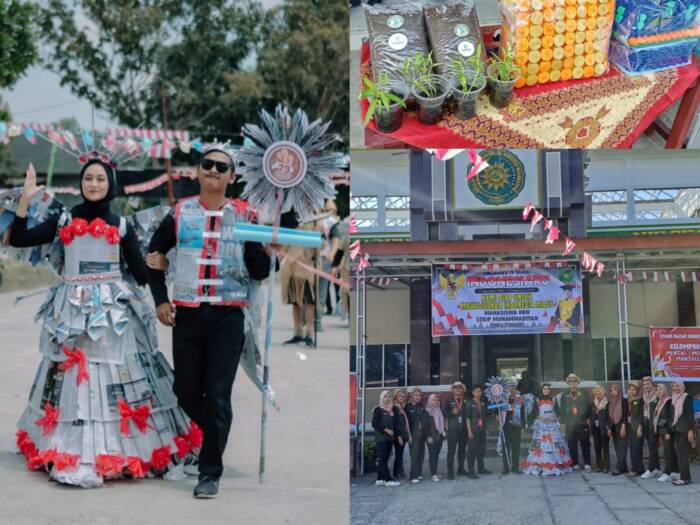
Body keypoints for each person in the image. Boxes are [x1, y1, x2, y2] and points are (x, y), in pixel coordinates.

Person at [10, 162, 198, 488]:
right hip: (70, 311)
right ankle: (72, 450)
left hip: (113, 313)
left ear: (110, 184)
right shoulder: (65, 218)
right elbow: (20, 238)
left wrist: (162, 263)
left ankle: (115, 451)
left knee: (112, 374)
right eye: (88, 178)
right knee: (73, 374)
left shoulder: (122, 224)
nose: (93, 184)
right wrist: (26, 199)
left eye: (100, 179)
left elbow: (140, 274)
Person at [146, 146, 274, 498]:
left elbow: (259, 270)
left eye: (222, 167)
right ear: (198, 172)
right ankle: (218, 433)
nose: (214, 171)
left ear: (232, 177)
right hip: (187, 314)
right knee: (185, 390)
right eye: (208, 165)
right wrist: (160, 300)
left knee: (218, 394)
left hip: (228, 316)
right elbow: (153, 259)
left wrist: (270, 248)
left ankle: (209, 470)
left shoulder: (247, 215)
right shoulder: (179, 212)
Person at [280, 218, 322, 346]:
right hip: (292, 268)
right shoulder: (291, 221)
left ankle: (309, 333)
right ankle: (298, 332)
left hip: (308, 269)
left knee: (309, 302)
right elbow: (284, 243)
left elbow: (320, 243)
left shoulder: (315, 222)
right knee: (295, 301)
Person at [523, 383, 572, 476]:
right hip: (541, 425)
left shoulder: (553, 400)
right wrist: (539, 418)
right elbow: (533, 413)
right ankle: (541, 465)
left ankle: (555, 464)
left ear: (549, 391)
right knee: (541, 445)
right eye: (544, 389)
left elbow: (558, 412)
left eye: (548, 389)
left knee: (554, 445)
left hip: (552, 425)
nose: (546, 390)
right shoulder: (537, 400)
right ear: (541, 390)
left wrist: (554, 418)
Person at [558, 373, 592, 472]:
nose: (572, 382)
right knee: (572, 445)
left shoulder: (583, 393)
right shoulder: (564, 394)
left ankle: (587, 464)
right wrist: (562, 423)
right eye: (571, 381)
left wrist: (589, 418)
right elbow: (562, 410)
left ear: (577, 382)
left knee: (585, 444)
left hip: (582, 422)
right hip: (570, 424)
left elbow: (589, 406)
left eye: (574, 380)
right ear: (568, 383)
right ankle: (575, 464)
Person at [372, 390, 400, 487]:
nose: (387, 398)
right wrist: (386, 430)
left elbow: (395, 424)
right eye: (385, 396)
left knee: (384, 459)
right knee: (383, 459)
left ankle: (380, 479)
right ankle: (388, 480)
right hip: (381, 439)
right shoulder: (378, 410)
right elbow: (375, 424)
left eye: (389, 396)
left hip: (389, 439)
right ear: (381, 398)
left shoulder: (392, 410)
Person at [670, 381, 694, 486]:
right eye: (673, 386)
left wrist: (690, 430)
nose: (675, 388)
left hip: (685, 429)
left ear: (682, 386)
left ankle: (685, 478)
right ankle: (685, 477)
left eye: (677, 385)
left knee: (683, 455)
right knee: (681, 454)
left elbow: (690, 414)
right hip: (678, 430)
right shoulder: (674, 398)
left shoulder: (686, 397)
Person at [653, 383, 678, 483]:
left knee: (668, 453)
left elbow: (669, 418)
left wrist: (668, 432)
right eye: (657, 390)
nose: (659, 391)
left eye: (660, 389)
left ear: (665, 390)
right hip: (662, 430)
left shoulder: (668, 401)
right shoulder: (660, 402)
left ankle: (667, 473)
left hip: (667, 431)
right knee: (669, 452)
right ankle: (676, 471)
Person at [444, 382, 468, 479]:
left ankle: (461, 469)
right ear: (452, 390)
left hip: (464, 430)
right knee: (451, 452)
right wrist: (451, 413)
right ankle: (450, 472)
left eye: (460, 388)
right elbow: (444, 413)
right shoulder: (448, 400)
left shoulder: (466, 400)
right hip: (452, 430)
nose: (458, 389)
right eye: (455, 388)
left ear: (463, 389)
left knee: (462, 451)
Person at [466, 384, 490, 478]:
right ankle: (471, 471)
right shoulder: (469, 403)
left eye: (480, 391)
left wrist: (486, 429)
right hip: (473, 430)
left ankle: (481, 468)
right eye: (476, 391)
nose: (478, 393)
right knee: (472, 451)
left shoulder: (483, 403)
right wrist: (469, 431)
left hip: (482, 430)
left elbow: (484, 418)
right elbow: (467, 418)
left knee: (481, 450)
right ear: (472, 392)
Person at [405, 387, 428, 483]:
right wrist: (409, 435)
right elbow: (405, 423)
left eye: (419, 395)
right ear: (411, 396)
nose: (418, 397)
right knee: (414, 456)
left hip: (422, 435)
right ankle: (412, 476)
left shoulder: (421, 406)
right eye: (415, 395)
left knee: (421, 455)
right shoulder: (407, 407)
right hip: (413, 435)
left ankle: (418, 473)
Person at [502, 386, 526, 475]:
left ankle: (515, 468)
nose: (511, 390)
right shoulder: (503, 399)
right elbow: (497, 411)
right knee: (506, 448)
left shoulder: (519, 399)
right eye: (510, 389)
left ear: (516, 390)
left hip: (516, 426)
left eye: (513, 389)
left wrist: (523, 426)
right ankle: (506, 468)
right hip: (505, 426)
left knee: (516, 448)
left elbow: (523, 413)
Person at [640, 376, 661, 479]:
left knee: (652, 447)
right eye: (644, 384)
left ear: (652, 385)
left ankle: (650, 469)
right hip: (646, 424)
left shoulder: (657, 397)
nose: (646, 386)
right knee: (652, 446)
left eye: (648, 384)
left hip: (655, 425)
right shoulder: (644, 397)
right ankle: (657, 468)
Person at [608, 383, 629, 476]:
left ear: (619, 391)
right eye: (611, 390)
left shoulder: (624, 401)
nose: (613, 392)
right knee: (617, 448)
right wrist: (608, 428)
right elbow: (609, 416)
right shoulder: (610, 402)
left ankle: (618, 468)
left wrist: (623, 427)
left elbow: (625, 414)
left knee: (622, 448)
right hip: (614, 428)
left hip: (622, 427)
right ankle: (624, 468)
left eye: (615, 390)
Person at [426, 393, 446, 482]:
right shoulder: (427, 411)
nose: (436, 402)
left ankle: (435, 472)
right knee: (432, 455)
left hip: (440, 435)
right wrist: (428, 436)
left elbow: (442, 422)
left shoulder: (439, 409)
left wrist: (443, 430)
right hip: (432, 437)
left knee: (436, 455)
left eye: (437, 400)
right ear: (430, 401)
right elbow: (425, 426)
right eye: (434, 400)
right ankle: (433, 474)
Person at [392, 388, 411, 481]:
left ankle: (397, 472)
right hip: (398, 435)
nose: (402, 398)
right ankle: (399, 472)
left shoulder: (402, 407)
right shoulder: (395, 408)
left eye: (403, 396)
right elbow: (396, 423)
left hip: (403, 435)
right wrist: (399, 436)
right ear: (396, 397)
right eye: (400, 396)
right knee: (399, 455)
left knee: (399, 454)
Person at [626, 381, 645, 477]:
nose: (631, 391)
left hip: (636, 428)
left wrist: (640, 427)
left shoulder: (640, 400)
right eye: (630, 389)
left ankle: (634, 469)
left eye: (634, 389)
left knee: (635, 449)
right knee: (634, 448)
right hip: (629, 427)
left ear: (638, 391)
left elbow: (641, 415)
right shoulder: (628, 400)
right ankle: (640, 468)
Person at [591, 385, 610, 473]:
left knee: (605, 447)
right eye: (597, 391)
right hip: (595, 428)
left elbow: (610, 417)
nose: (598, 393)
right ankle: (599, 466)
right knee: (597, 447)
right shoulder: (593, 403)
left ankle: (606, 466)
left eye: (600, 391)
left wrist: (609, 428)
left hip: (604, 428)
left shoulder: (607, 403)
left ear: (603, 392)